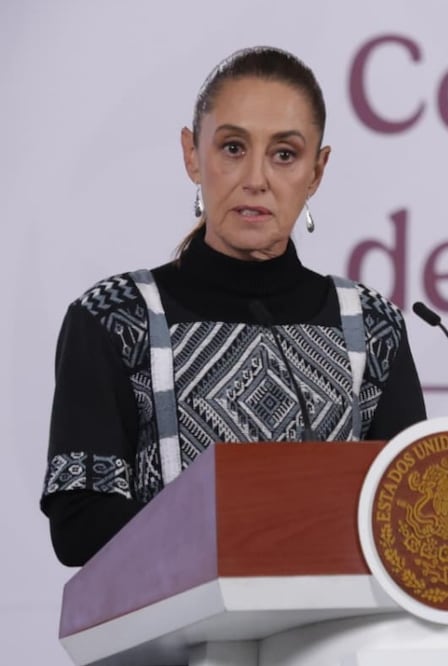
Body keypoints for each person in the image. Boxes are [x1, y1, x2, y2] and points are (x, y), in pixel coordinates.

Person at [40, 46, 427, 567]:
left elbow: (412, 517)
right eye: (232, 148)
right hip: (178, 644)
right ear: (192, 155)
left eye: (285, 154)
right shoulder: (112, 318)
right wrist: (252, 533)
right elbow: (80, 527)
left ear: (317, 170)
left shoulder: (373, 326)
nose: (256, 179)